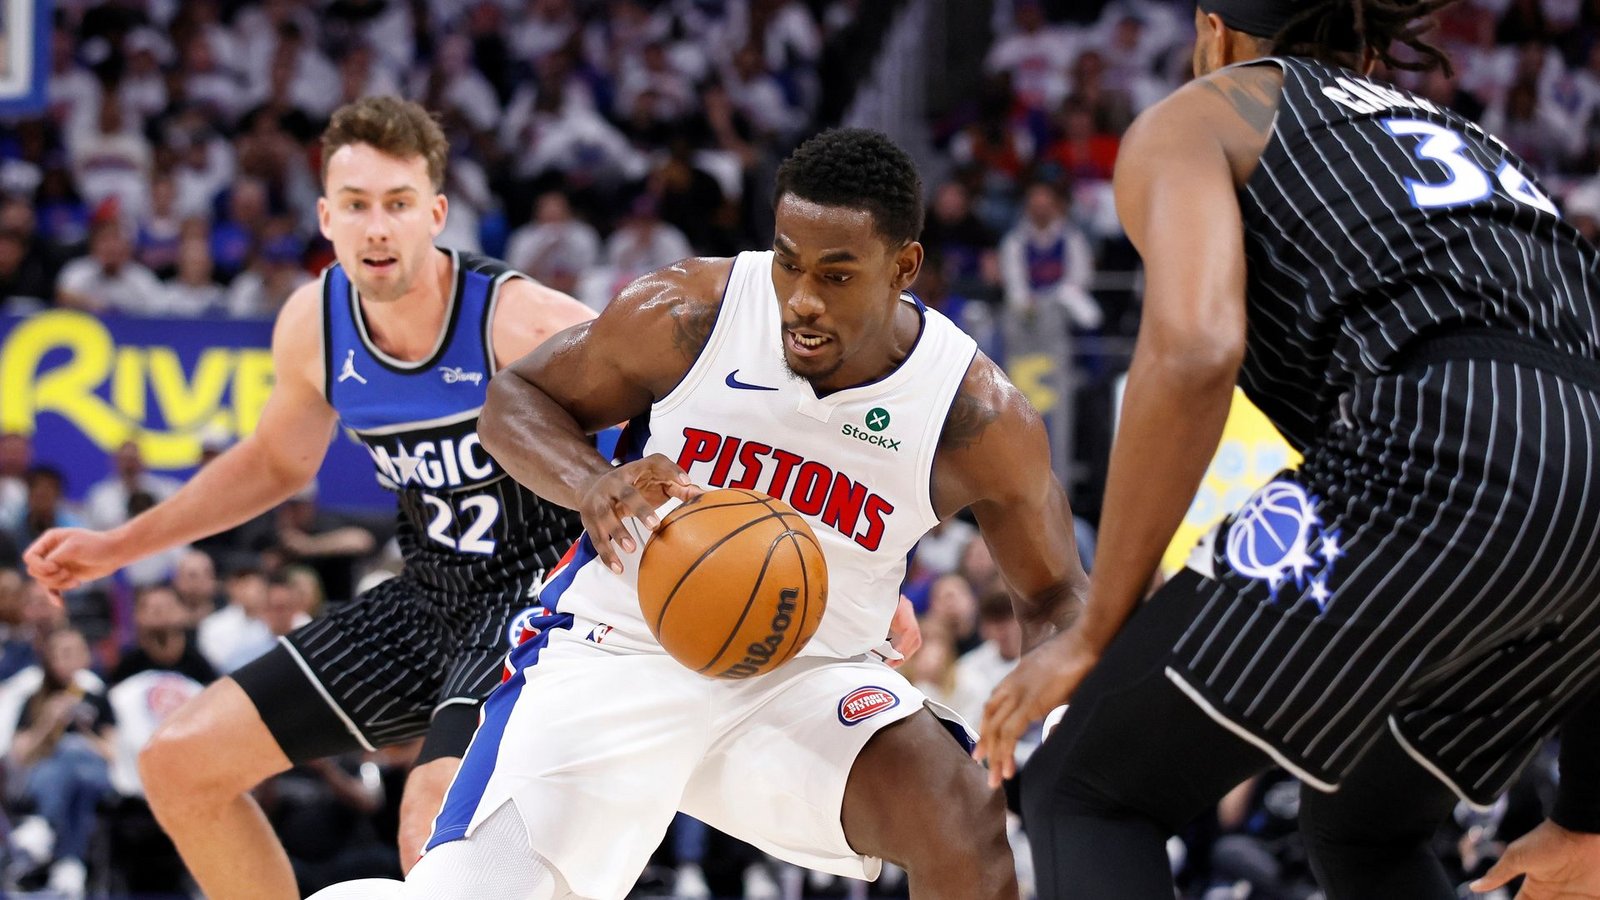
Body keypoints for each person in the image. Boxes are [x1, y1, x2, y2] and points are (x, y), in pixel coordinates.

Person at [316, 128, 1091, 900]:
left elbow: (1057, 595)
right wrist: (591, 482)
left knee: (963, 820)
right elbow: (514, 401)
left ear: (905, 268)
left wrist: (1058, 715)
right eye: (788, 261)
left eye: (837, 273)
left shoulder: (971, 413)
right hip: (621, 651)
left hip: (807, 679)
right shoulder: (695, 313)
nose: (803, 299)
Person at [974, 2, 1600, 898]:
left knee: (1086, 786)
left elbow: (1192, 353)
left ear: (1213, 32)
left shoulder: (1210, 111)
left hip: (1445, 446)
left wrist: (1098, 628)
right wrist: (1587, 813)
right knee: (1365, 823)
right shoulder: (1479, 151)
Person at [23, 96, 594, 899]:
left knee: (429, 820)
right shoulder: (315, 323)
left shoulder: (521, 320)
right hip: (427, 598)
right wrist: (118, 548)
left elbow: (666, 416)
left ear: (436, 212)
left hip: (536, 597)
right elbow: (274, 465)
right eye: (356, 207)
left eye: (397, 205)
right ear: (327, 217)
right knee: (178, 762)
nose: (377, 229)